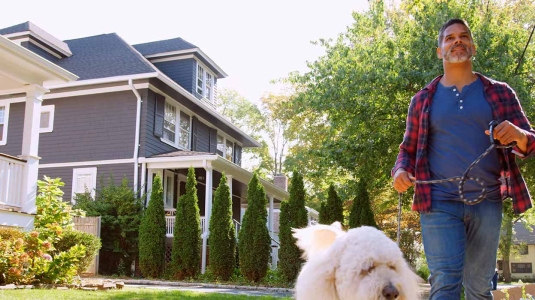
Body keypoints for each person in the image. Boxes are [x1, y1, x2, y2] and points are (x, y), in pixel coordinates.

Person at [392, 18, 535, 299]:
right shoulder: (422, 100)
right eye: (449, 38)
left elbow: (530, 141)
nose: (457, 41)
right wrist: (400, 171)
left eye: (463, 36)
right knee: (445, 283)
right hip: (438, 202)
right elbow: (407, 151)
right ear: (439, 51)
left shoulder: (500, 92)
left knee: (480, 287)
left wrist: (517, 134)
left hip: (488, 201)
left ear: (473, 46)